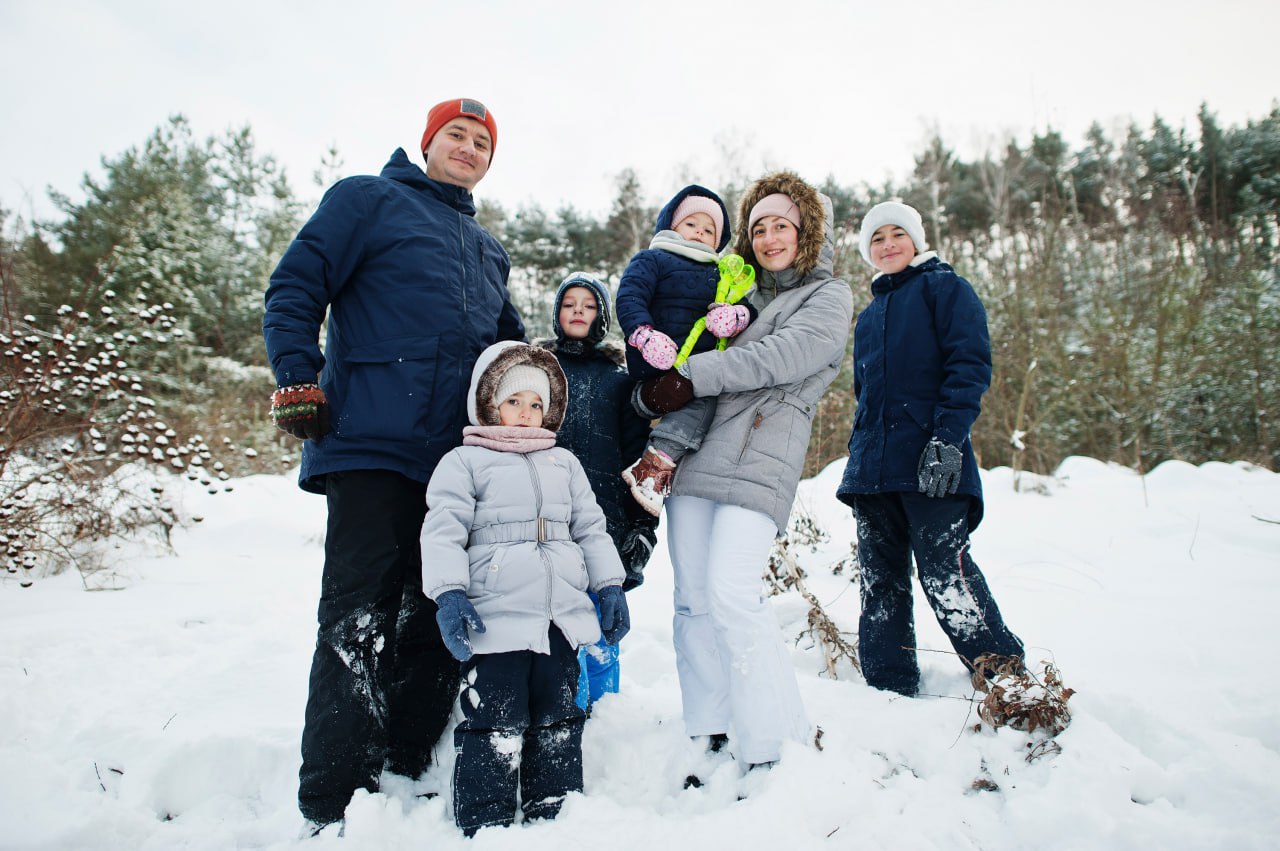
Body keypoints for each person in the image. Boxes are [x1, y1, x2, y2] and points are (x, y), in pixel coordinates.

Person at [261, 98, 525, 832]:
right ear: (429, 142)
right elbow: (295, 285)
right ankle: (332, 799)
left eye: (482, 142)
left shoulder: (486, 250)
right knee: (359, 618)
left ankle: (404, 763)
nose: (469, 148)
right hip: (370, 442)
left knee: (436, 612)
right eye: (457, 136)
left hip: (450, 462)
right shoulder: (367, 200)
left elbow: (513, 358)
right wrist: (296, 373)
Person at [627, 171, 854, 775]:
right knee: (693, 600)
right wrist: (654, 391)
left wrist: (689, 375)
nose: (769, 236)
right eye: (757, 227)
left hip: (760, 456)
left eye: (782, 224)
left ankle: (772, 743)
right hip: (699, 458)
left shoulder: (827, 296)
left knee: (733, 593)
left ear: (806, 230)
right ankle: (710, 727)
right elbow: (685, 345)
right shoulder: (737, 291)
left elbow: (778, 357)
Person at [420, 341, 630, 836]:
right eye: (515, 401)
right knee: (495, 719)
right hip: (494, 619)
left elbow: (591, 528)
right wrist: (449, 594)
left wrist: (609, 585)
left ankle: (553, 810)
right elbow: (443, 528)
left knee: (559, 716)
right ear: (489, 402)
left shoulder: (564, 463)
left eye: (537, 404)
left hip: (559, 617)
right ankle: (485, 819)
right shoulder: (464, 462)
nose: (526, 413)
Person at [835, 201, 1024, 697]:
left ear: (917, 240)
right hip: (874, 470)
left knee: (946, 570)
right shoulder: (868, 317)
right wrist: (859, 451)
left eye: (898, 234)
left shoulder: (946, 289)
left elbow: (969, 367)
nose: (888, 244)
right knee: (880, 580)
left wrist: (946, 440)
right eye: (877, 238)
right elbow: (865, 395)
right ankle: (888, 685)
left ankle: (1004, 677)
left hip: (932, 460)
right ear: (868, 252)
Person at [536, 272, 658, 710]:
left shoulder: (619, 381)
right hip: (544, 521)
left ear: (601, 318)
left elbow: (640, 460)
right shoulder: (538, 373)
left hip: (606, 525)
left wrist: (643, 524)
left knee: (602, 628)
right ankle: (558, 714)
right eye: (569, 304)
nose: (577, 312)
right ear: (557, 314)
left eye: (588, 306)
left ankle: (604, 719)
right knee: (552, 631)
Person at [614, 185, 756, 515]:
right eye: (692, 224)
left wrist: (734, 316)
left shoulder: (721, 272)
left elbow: (748, 307)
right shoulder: (652, 259)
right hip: (654, 363)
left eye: (709, 230)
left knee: (704, 403)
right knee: (688, 404)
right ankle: (649, 467)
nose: (699, 233)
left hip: (697, 369)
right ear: (672, 226)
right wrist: (644, 336)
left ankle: (656, 463)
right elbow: (630, 297)